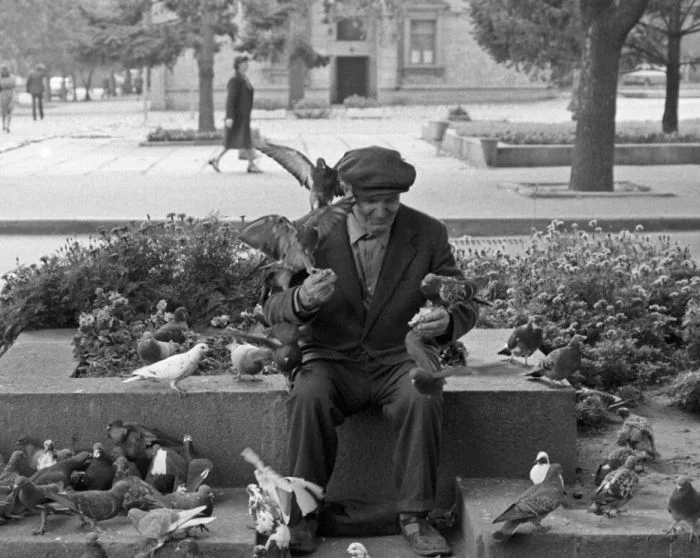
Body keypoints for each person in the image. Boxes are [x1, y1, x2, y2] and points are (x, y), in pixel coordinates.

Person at [262, 146, 480, 556]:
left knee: (422, 394)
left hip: (399, 357)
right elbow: (270, 306)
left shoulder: (428, 233)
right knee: (308, 395)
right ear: (346, 195)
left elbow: (464, 302)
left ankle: (415, 516)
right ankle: (304, 516)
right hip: (330, 357)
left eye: (391, 201)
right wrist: (301, 300)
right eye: (370, 203)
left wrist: (447, 321)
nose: (382, 211)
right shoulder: (308, 232)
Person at [208, 55, 262, 174]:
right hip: (238, 116)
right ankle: (251, 165)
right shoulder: (235, 80)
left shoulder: (244, 78)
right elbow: (231, 99)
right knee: (244, 140)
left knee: (236, 140)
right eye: (244, 63)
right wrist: (229, 117)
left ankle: (216, 159)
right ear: (238, 65)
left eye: (246, 63)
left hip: (244, 115)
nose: (246, 65)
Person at [0, 65, 16, 133]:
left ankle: (3, 124)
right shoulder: (12, 77)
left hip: (2, 95)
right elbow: (14, 86)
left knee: (3, 111)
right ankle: (8, 125)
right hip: (11, 94)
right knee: (9, 111)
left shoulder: (1, 78)